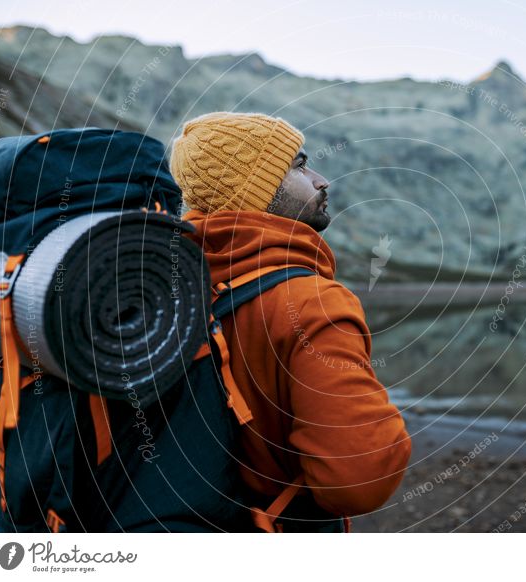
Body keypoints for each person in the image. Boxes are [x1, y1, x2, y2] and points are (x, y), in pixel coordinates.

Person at [169, 112, 411, 532]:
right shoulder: (312, 302)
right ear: (255, 189)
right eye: (298, 165)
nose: (321, 180)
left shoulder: (169, 284)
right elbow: (360, 481)